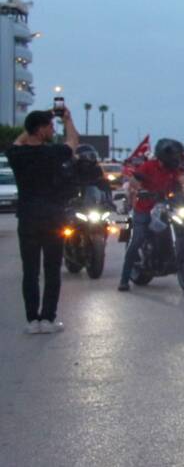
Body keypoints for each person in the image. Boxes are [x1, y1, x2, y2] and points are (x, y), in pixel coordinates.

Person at [7, 108, 79, 333]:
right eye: (49, 125)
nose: (52, 128)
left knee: (30, 271)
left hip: (27, 219)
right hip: (52, 219)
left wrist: (33, 124)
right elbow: (73, 142)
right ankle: (48, 318)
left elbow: (18, 141)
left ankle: (32, 321)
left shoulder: (16, 155)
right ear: (40, 130)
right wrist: (67, 119)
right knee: (51, 269)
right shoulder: (53, 153)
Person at [118, 138, 184, 291]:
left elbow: (183, 181)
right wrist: (140, 190)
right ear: (165, 156)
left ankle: (175, 256)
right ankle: (124, 279)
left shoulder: (173, 170)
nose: (178, 160)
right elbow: (134, 180)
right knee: (137, 240)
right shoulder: (149, 166)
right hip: (144, 209)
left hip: (165, 207)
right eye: (176, 156)